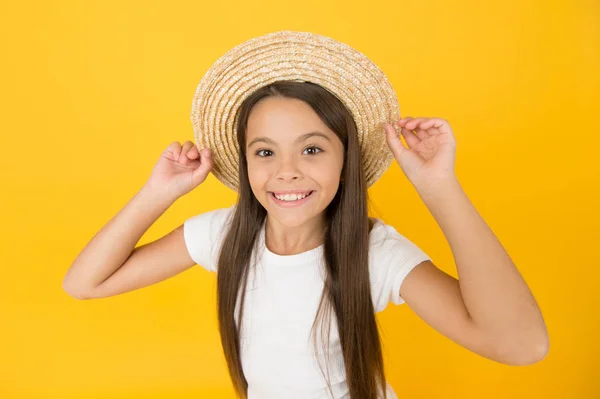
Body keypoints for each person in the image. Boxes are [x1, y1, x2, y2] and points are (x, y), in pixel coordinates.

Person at [63, 31, 548, 399]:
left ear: (346, 160)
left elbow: (521, 346)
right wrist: (157, 193)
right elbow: (85, 283)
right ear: (245, 160)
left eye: (312, 149)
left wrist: (440, 190)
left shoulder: (373, 254)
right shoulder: (224, 235)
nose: (287, 173)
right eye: (265, 152)